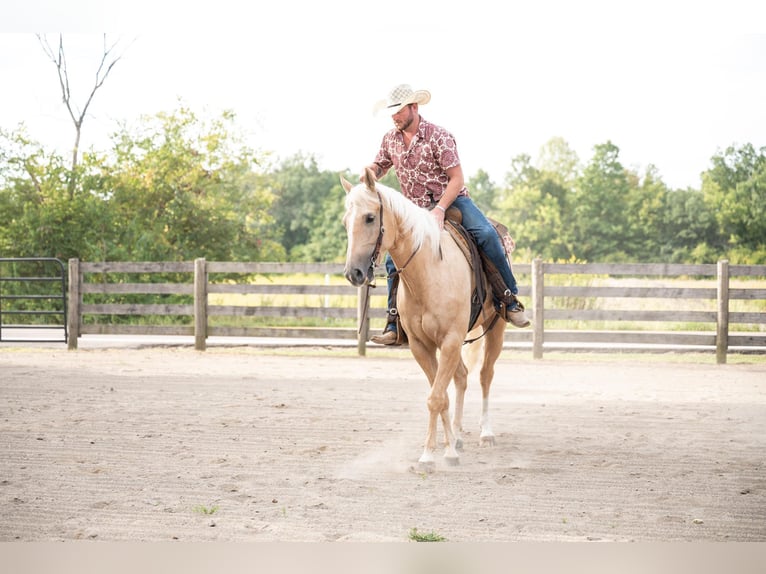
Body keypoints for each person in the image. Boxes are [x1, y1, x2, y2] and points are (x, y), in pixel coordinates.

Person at [363, 84, 530, 346]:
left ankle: (508, 299)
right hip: (414, 210)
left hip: (452, 200)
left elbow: (456, 178)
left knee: (486, 235)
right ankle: (395, 321)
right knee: (391, 259)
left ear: (413, 108)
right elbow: (381, 164)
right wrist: (371, 170)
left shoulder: (439, 137)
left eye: (398, 111)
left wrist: (440, 209)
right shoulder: (390, 140)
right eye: (391, 113)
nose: (394, 117)